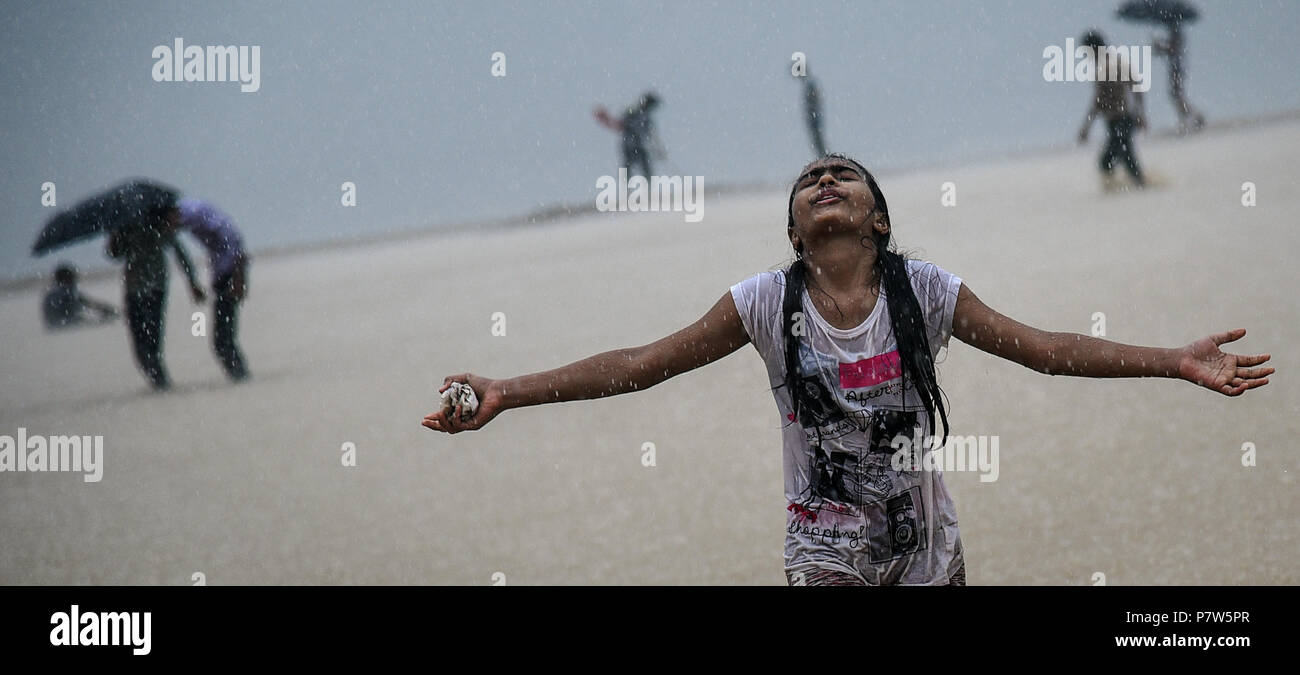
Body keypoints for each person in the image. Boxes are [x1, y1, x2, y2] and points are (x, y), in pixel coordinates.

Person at [422, 154, 1273, 585]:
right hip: (822, 553)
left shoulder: (926, 291)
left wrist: (1173, 361)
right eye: (809, 180)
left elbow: (1047, 350)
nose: (825, 179)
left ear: (879, 219)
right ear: (796, 231)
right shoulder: (762, 303)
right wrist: (509, 390)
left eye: (845, 176)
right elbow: (639, 365)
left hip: (927, 552)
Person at [106, 216, 205, 389]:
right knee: (140, 340)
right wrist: (115, 236)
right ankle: (157, 379)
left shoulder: (159, 224)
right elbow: (114, 254)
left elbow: (179, 252)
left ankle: (160, 380)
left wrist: (192, 281)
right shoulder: (124, 227)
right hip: (134, 287)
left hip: (155, 287)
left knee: (152, 337)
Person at [166, 198, 251, 381]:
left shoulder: (195, 213)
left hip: (229, 273)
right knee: (223, 339)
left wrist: (239, 278)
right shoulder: (188, 218)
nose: (170, 229)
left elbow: (232, 237)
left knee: (222, 340)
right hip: (222, 274)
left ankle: (241, 379)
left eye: (169, 223)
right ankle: (240, 377)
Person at [1077, 30, 1148, 190]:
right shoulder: (1116, 62)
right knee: (1122, 157)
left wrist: (1086, 127)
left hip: (1120, 120)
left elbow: (1097, 103)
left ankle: (1134, 189)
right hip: (1122, 119)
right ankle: (1135, 187)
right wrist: (1140, 114)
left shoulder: (1106, 67)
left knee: (1112, 161)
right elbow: (1137, 88)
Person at [594, 92, 665, 179]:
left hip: (639, 147)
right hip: (629, 146)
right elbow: (621, 124)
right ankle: (626, 189)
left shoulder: (647, 119)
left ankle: (647, 188)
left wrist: (658, 149)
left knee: (645, 169)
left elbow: (651, 135)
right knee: (628, 169)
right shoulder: (633, 112)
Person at [1152, 25, 1206, 134]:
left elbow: (1172, 49)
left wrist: (1159, 46)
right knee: (1176, 95)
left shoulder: (1177, 35)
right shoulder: (1176, 35)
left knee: (1176, 95)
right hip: (1176, 68)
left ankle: (1192, 118)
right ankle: (1189, 118)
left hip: (1177, 69)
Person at [42, 264, 118, 329]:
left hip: (53, 327)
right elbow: (86, 303)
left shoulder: (51, 294)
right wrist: (110, 311)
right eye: (73, 277)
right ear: (68, 278)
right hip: (66, 326)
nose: (75, 280)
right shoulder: (66, 292)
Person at [800, 71, 828, 158]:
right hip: (813, 120)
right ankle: (824, 158)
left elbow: (813, 103)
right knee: (817, 142)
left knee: (817, 142)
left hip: (814, 120)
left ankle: (824, 158)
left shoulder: (810, 85)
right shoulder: (809, 85)